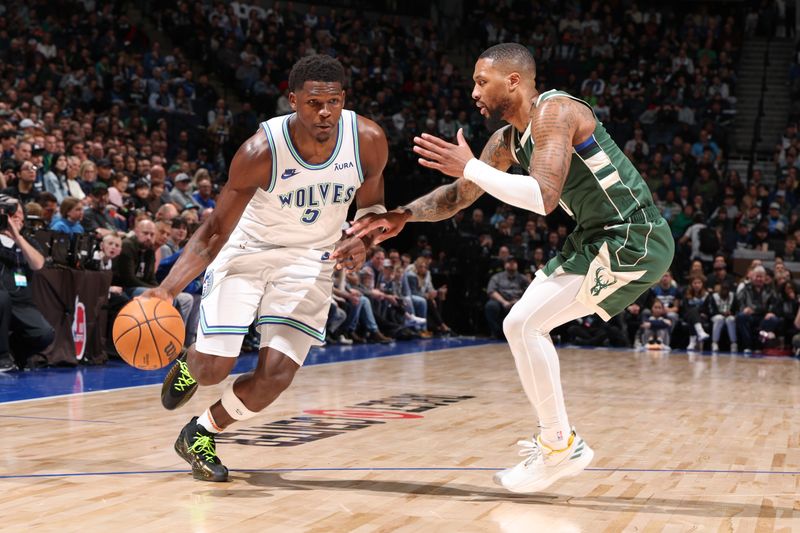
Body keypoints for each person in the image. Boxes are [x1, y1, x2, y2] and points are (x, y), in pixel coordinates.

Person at [348, 43, 674, 494]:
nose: (474, 92)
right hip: (597, 236)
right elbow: (459, 195)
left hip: (631, 235)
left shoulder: (555, 111)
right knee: (520, 325)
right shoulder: (506, 141)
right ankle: (559, 443)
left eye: (482, 82)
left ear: (514, 81)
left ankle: (560, 445)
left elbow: (541, 197)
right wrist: (401, 215)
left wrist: (473, 169)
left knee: (522, 324)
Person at [142, 55, 388, 482]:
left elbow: (371, 208)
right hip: (248, 250)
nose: (325, 112)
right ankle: (191, 364)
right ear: (293, 100)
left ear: (344, 99)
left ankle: (200, 432)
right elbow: (215, 229)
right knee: (214, 368)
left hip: (311, 259)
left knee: (274, 377)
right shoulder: (261, 150)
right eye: (314, 102)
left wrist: (362, 241)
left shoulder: (367, 139)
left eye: (333, 101)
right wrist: (166, 290)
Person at [0, 196, 54, 370]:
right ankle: (1, 358)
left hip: (21, 304)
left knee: (44, 334)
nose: (16, 216)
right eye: (10, 212)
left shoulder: (28, 242)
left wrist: (17, 237)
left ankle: (15, 354)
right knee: (2, 298)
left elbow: (37, 264)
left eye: (20, 213)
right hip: (1, 301)